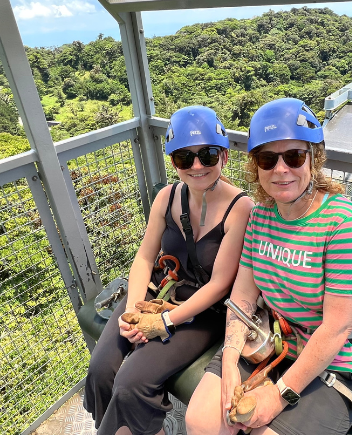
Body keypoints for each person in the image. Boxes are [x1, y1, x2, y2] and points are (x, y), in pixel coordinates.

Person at [185, 98, 352, 435]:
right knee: (200, 422)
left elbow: (336, 328)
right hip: (270, 340)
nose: (280, 169)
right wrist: (229, 357)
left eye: (294, 156)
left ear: (313, 159)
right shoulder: (260, 217)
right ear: (256, 167)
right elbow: (243, 296)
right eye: (267, 159)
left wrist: (278, 396)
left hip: (336, 361)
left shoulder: (343, 226)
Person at [84, 105, 254, 435]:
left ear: (224, 157)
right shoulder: (167, 197)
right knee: (101, 371)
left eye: (207, 155)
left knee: (132, 383)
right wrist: (134, 310)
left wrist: (163, 322)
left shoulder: (240, 208)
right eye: (184, 158)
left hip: (203, 310)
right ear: (173, 162)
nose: (196, 166)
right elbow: (145, 258)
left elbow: (220, 284)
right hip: (158, 292)